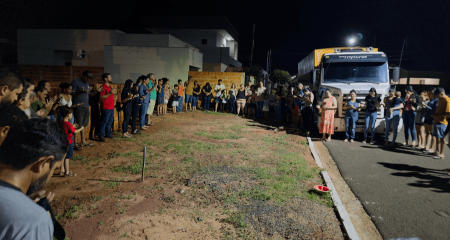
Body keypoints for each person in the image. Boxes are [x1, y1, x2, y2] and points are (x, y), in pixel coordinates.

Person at [0, 117, 69, 240]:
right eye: (56, 168)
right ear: (43, 163)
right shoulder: (33, 222)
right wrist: (28, 210)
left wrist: (21, 203)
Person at [72, 70, 100, 150]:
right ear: (83, 76)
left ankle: (83, 141)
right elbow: (72, 93)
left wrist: (97, 91)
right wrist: (81, 92)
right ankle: (76, 143)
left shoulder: (87, 83)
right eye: (87, 77)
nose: (88, 79)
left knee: (84, 124)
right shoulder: (75, 82)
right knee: (78, 124)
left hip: (86, 106)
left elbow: (89, 94)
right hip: (79, 106)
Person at [59, 107, 83, 177]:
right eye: (71, 114)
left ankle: (62, 171)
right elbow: (75, 132)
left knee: (63, 156)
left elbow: (67, 129)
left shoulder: (61, 122)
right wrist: (81, 128)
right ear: (68, 114)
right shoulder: (69, 124)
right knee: (67, 157)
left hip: (63, 141)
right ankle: (67, 172)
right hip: (69, 142)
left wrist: (73, 126)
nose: (72, 115)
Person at [430, 87, 450, 159]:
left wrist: (436, 115)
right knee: (437, 137)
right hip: (437, 120)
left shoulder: (447, 100)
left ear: (441, 94)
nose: (436, 97)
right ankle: (437, 151)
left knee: (441, 137)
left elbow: (448, 113)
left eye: (437, 95)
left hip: (443, 121)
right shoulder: (440, 100)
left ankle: (442, 153)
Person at [97, 73, 115, 142]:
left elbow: (109, 96)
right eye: (110, 77)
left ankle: (108, 134)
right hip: (106, 107)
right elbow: (101, 97)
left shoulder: (109, 86)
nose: (111, 78)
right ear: (105, 79)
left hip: (111, 107)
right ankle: (101, 135)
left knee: (110, 122)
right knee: (104, 122)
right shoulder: (103, 87)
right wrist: (110, 94)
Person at [423, 87, 438, 154]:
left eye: (429, 93)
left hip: (432, 118)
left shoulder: (436, 100)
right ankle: (427, 147)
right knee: (427, 133)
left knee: (432, 133)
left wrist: (427, 107)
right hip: (427, 117)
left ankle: (432, 148)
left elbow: (435, 110)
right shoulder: (431, 100)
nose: (428, 94)